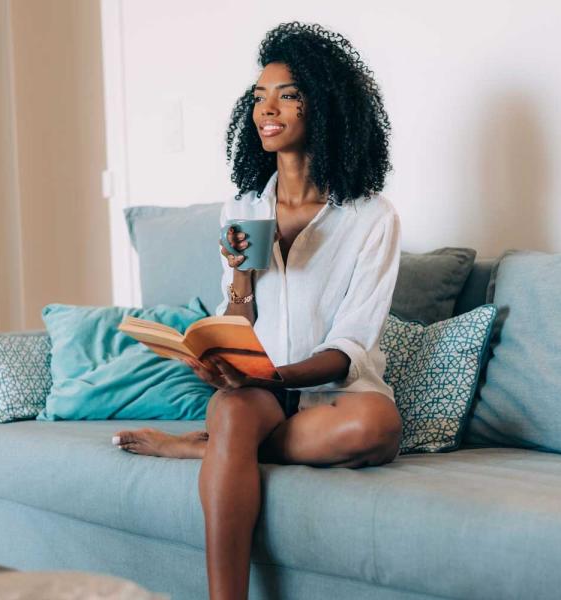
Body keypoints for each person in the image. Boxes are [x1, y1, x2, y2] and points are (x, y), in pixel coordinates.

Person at [113, 21, 402, 600]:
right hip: (258, 391)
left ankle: (206, 443)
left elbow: (353, 343)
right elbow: (239, 318)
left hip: (331, 389)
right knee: (235, 409)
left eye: (287, 95)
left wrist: (273, 376)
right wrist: (241, 279)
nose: (267, 109)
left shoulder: (371, 216)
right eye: (258, 97)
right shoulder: (243, 206)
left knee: (379, 427)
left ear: (325, 106)